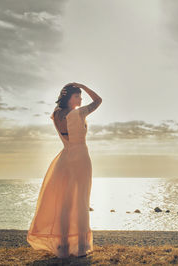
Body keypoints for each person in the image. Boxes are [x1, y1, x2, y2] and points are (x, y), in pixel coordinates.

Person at [26, 82, 102, 258]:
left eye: (81, 95)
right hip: (81, 158)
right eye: (77, 96)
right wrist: (84, 85)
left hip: (64, 158)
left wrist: (78, 88)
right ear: (68, 98)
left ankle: (63, 247)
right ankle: (81, 246)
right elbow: (98, 100)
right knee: (81, 200)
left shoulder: (55, 114)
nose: (81, 99)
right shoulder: (79, 113)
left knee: (65, 203)